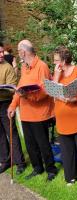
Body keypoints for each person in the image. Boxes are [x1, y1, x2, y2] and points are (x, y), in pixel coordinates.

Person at [7, 40, 58, 181]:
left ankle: (51, 170)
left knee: (43, 144)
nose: (17, 54)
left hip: (40, 114)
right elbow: (19, 89)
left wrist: (28, 95)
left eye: (18, 51)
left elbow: (45, 92)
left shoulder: (42, 66)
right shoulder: (24, 67)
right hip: (26, 114)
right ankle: (37, 168)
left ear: (24, 52)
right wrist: (12, 106)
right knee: (30, 145)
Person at [52, 46, 77, 185]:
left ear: (63, 60)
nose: (54, 63)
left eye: (56, 60)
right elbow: (52, 92)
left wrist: (73, 99)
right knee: (66, 149)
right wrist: (56, 77)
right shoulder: (56, 74)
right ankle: (70, 176)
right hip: (62, 118)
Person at [0, 42, 26, 174]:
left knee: (11, 132)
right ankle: (5, 161)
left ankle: (19, 162)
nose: (1, 55)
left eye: (2, 52)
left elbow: (12, 88)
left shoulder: (8, 67)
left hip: (5, 103)